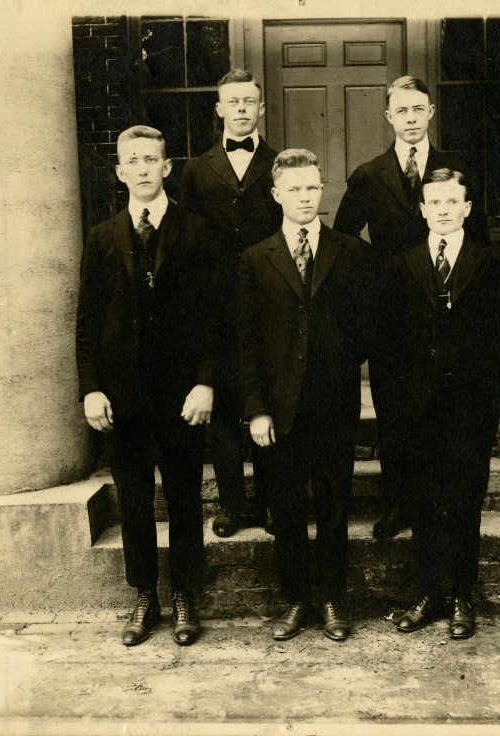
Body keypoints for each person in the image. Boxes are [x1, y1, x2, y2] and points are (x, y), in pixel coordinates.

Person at [76, 125, 218, 647]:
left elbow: (211, 318)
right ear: (119, 171)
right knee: (134, 501)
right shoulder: (103, 236)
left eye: (150, 159)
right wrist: (91, 388)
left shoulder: (196, 231)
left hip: (181, 398)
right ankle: (145, 596)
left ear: (166, 167)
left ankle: (185, 596)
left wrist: (205, 383)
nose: (141, 167)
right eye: (131, 160)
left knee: (183, 498)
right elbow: (86, 321)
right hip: (124, 399)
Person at [384, 167, 500, 639]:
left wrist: (481, 385)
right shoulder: (402, 265)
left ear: (466, 209)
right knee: (424, 500)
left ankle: (462, 594)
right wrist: (405, 395)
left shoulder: (491, 262)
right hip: (419, 408)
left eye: (452, 202)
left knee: (464, 499)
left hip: (471, 406)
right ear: (422, 210)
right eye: (434, 203)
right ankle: (427, 594)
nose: (443, 211)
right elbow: (390, 344)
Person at [237, 149, 370, 642]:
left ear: (323, 190)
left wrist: (338, 368)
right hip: (277, 410)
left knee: (335, 505)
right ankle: (295, 599)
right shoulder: (255, 258)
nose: (304, 197)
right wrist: (255, 409)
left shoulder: (349, 251)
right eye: (294, 189)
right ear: (276, 196)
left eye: (312, 188)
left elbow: (364, 325)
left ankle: (334, 598)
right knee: (288, 507)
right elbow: (245, 342)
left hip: (332, 403)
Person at [333, 75, 467, 540]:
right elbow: (344, 239)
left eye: (418, 110)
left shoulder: (455, 169)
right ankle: (398, 505)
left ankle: (441, 504)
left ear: (430, 113)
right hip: (391, 313)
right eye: (401, 111)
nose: (410, 119)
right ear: (389, 117)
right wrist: (375, 277)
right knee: (393, 411)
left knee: (440, 409)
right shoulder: (369, 175)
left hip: (445, 310)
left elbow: (479, 241)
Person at [179, 69, 282, 539]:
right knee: (222, 408)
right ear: (219, 110)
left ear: (261, 109)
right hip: (215, 302)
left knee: (268, 399)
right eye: (233, 102)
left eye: (250, 102)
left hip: (268, 298)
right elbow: (185, 237)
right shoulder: (197, 170)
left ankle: (271, 502)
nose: (242, 109)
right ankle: (232, 506)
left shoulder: (280, 164)